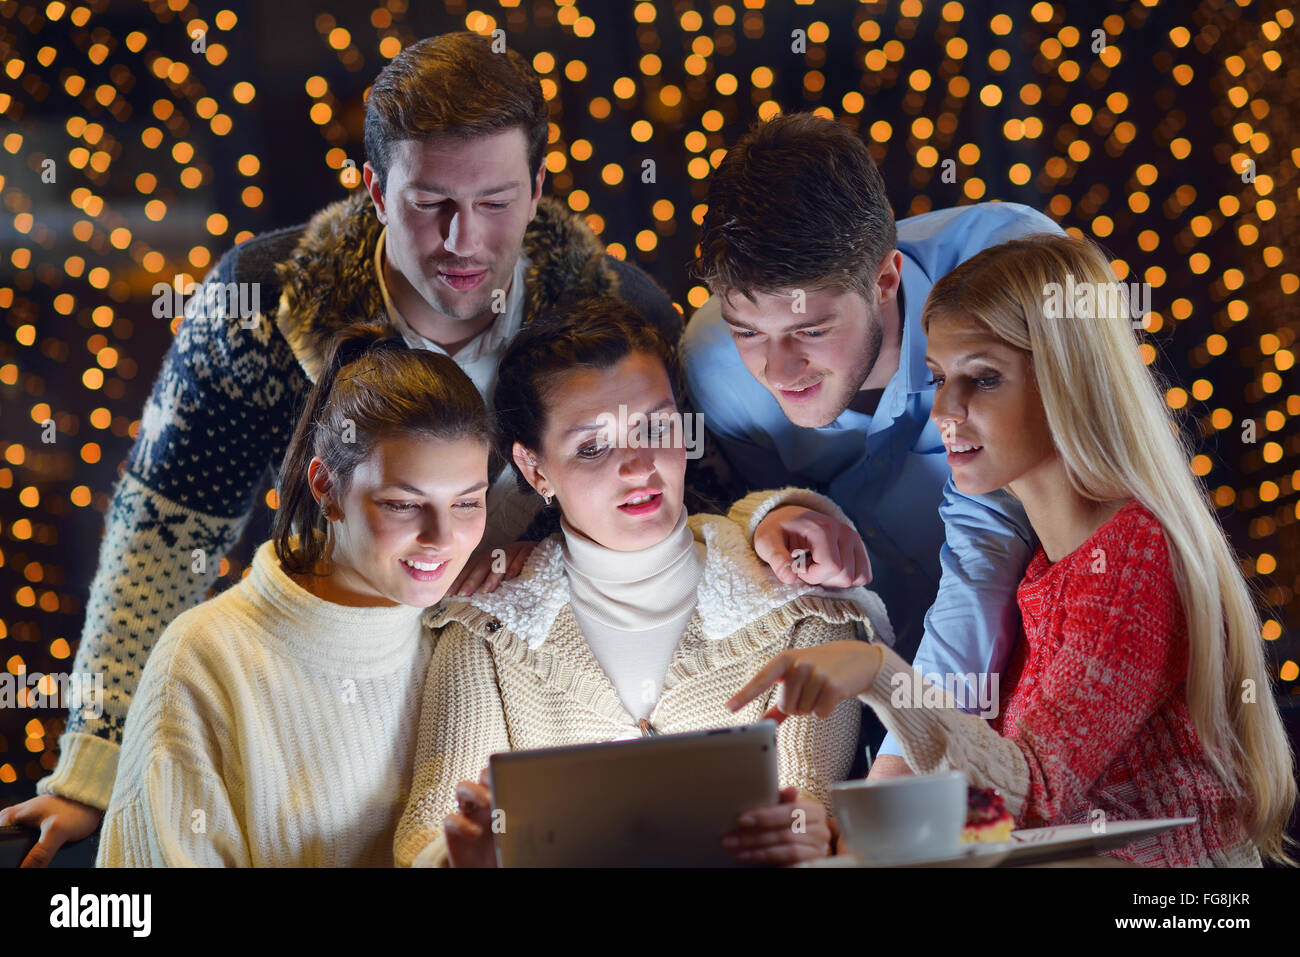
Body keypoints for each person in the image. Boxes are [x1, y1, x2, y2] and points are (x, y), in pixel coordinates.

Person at [4, 34, 859, 864]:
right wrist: (96, 763)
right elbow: (164, 523)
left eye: (494, 203)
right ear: (376, 190)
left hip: (508, 695)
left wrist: (774, 512)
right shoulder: (260, 300)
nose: (463, 240)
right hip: (333, 693)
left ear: (536, 190)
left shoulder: (612, 300)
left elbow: (687, 484)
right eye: (431, 204)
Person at [727, 234, 1298, 867]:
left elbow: (1030, 796)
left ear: (1068, 380)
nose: (944, 408)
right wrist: (840, 837)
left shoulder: (1133, 557)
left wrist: (877, 671)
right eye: (940, 378)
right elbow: (994, 817)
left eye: (983, 378)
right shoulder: (1042, 574)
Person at [393, 299, 894, 868]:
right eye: (591, 448)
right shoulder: (486, 632)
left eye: (657, 426)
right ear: (535, 471)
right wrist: (462, 860)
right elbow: (426, 834)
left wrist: (816, 837)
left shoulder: (801, 610)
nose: (638, 466)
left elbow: (818, 806)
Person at [683, 113, 1073, 780]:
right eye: (749, 330)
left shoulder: (1016, 269)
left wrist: (896, 780)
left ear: (885, 280)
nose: (778, 370)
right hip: (861, 682)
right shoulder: (714, 365)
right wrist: (773, 517)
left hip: (1056, 666)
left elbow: (988, 558)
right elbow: (749, 527)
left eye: (810, 329)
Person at [95, 326, 496, 865]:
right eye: (403, 505)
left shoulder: (476, 631)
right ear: (326, 488)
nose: (443, 539)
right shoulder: (206, 659)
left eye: (468, 504)